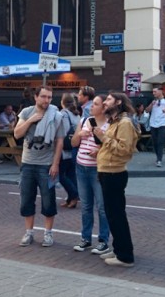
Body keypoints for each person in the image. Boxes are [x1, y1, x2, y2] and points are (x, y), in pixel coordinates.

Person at [14, 86, 64, 247]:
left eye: (49, 97)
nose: (47, 100)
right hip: (28, 163)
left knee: (48, 201)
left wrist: (55, 164)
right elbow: (17, 134)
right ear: (36, 97)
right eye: (43, 97)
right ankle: (29, 233)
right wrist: (30, 120)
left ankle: (48, 233)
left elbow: (60, 141)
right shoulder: (27, 112)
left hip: (46, 165)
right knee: (26, 199)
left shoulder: (56, 115)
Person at [94, 92, 138, 267]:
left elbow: (124, 149)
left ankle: (125, 256)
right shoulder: (116, 121)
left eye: (108, 100)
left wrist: (103, 137)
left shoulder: (125, 123)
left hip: (114, 173)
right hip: (107, 172)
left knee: (116, 215)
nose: (105, 103)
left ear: (118, 102)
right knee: (112, 215)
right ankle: (119, 248)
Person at [70, 94, 111, 254]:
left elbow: (111, 146)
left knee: (101, 207)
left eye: (95, 104)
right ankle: (85, 239)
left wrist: (99, 150)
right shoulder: (84, 121)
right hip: (81, 167)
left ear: (103, 108)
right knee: (86, 206)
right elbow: (73, 143)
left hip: (98, 169)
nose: (91, 107)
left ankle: (103, 240)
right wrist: (79, 135)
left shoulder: (110, 125)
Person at [58, 93, 80, 209]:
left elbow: (64, 131)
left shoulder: (64, 114)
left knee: (60, 175)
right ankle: (71, 199)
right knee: (71, 174)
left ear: (63, 102)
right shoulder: (76, 114)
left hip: (64, 149)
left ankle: (74, 195)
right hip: (74, 148)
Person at [145, 86, 165, 167]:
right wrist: (151, 104)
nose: (153, 93)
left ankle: (159, 160)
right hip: (153, 123)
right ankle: (158, 156)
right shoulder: (151, 100)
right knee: (155, 142)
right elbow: (147, 110)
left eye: (155, 91)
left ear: (160, 91)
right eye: (153, 92)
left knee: (160, 141)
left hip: (162, 124)